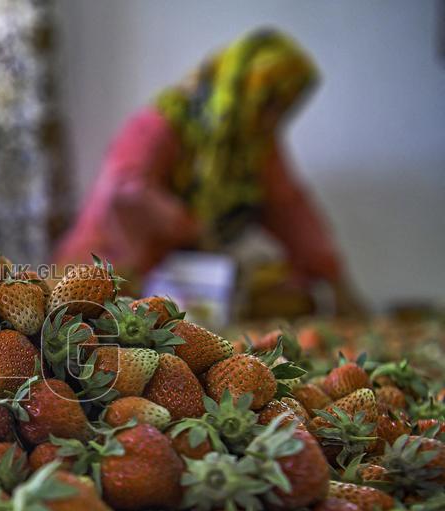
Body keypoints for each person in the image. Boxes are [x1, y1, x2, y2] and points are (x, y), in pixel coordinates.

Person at [53, 28, 363, 314]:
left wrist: (333, 277)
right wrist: (190, 226)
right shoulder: (162, 123)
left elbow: (290, 210)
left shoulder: (256, 147)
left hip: (175, 287)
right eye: (269, 103)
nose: (274, 120)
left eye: (285, 109)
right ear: (242, 88)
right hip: (104, 271)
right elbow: (125, 190)